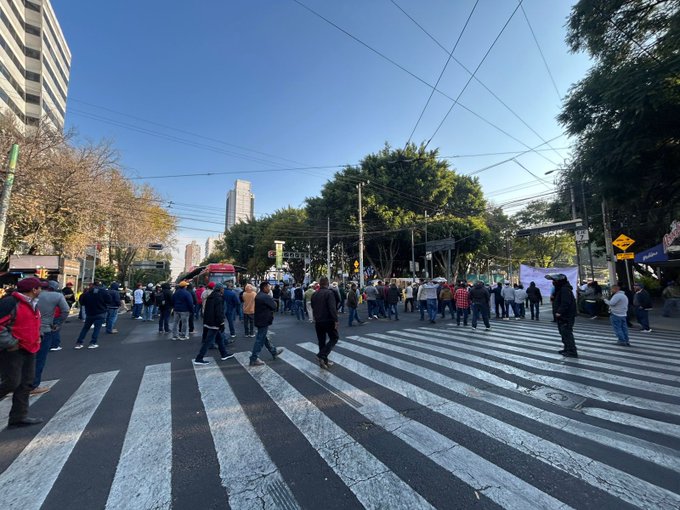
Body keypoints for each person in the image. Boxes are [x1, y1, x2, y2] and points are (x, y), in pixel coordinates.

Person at [0, 277, 45, 428]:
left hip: (30, 347)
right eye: (39, 288)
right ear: (34, 290)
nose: (41, 290)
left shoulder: (33, 303)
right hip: (13, 350)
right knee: (11, 382)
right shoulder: (11, 303)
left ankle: (18, 417)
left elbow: (32, 322)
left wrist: (38, 335)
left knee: (26, 383)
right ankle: (18, 417)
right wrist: (11, 343)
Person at [32, 281, 70, 395]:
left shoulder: (29, 295)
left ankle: (15, 384)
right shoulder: (56, 296)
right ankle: (33, 385)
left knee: (23, 359)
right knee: (39, 359)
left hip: (26, 330)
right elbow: (65, 311)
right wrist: (57, 324)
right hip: (45, 329)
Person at [193, 283, 234, 365]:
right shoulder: (218, 298)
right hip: (215, 323)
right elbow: (219, 312)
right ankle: (199, 358)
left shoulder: (211, 297)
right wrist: (221, 323)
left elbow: (207, 310)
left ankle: (224, 354)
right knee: (208, 341)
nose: (223, 290)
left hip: (210, 321)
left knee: (219, 339)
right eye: (223, 288)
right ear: (220, 289)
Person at [249, 282, 283, 366]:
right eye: (268, 287)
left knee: (264, 338)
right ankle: (254, 358)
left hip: (259, 319)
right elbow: (274, 306)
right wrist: (274, 302)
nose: (270, 288)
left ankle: (274, 351)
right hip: (263, 320)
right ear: (264, 287)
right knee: (260, 340)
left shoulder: (259, 295)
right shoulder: (265, 296)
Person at [311, 277, 339, 368]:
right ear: (327, 283)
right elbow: (332, 308)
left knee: (321, 341)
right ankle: (321, 355)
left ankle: (323, 361)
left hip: (318, 320)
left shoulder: (315, 294)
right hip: (328, 319)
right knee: (334, 338)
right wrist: (335, 320)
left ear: (320, 283)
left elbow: (313, 306)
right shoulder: (329, 293)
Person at [548, 273, 578, 357]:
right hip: (562, 316)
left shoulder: (565, 289)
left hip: (566, 315)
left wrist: (559, 312)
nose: (553, 282)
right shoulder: (560, 289)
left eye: (554, 281)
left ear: (559, 281)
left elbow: (565, 302)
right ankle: (567, 348)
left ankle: (572, 351)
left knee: (567, 333)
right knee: (563, 333)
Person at [75, 280, 112, 349]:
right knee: (97, 329)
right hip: (100, 312)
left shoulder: (88, 292)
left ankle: (79, 343)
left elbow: (82, 302)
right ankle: (92, 343)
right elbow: (109, 300)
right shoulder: (103, 292)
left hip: (89, 313)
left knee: (85, 328)